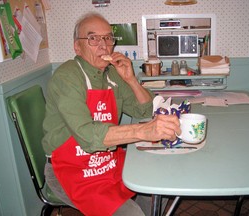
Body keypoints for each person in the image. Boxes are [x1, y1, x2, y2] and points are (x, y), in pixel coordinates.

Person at [42, 11, 180, 216]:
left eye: (107, 38)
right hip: (71, 169)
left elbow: (145, 109)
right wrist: (144, 131)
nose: (103, 45)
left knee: (159, 185)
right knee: (132, 213)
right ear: (77, 46)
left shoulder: (112, 73)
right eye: (93, 38)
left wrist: (131, 79)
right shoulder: (67, 76)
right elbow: (88, 136)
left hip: (108, 160)